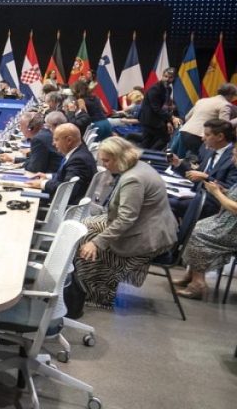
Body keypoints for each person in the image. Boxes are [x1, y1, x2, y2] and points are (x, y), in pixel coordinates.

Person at [74, 137, 177, 309]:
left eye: (107, 161)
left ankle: (97, 295)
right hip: (148, 225)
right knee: (81, 227)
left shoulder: (133, 179)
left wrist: (97, 243)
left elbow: (126, 219)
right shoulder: (138, 166)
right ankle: (79, 284)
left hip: (148, 236)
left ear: (119, 158)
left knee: (88, 240)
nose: (104, 165)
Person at [174, 148, 237, 299]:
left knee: (199, 234)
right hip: (226, 222)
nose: (232, 159)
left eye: (235, 155)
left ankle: (198, 284)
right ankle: (191, 275)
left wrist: (217, 193)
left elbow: (235, 208)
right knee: (194, 228)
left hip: (233, 228)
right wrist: (224, 191)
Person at [168, 119, 237, 219]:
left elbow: (231, 190)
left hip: (215, 202)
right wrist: (178, 163)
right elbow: (197, 174)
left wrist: (206, 177)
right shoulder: (208, 150)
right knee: (164, 196)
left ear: (220, 137)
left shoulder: (234, 157)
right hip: (196, 193)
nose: (203, 138)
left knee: (167, 203)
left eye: (207, 135)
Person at [23, 123, 96, 206]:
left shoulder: (78, 160)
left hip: (62, 206)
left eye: (56, 140)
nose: (53, 143)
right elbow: (65, 176)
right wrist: (47, 176)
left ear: (69, 140)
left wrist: (43, 183)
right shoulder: (78, 152)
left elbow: (67, 189)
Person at [176, 84, 237, 156]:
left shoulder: (202, 101)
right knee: (206, 158)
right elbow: (224, 125)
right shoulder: (225, 105)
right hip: (200, 137)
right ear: (231, 95)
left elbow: (187, 117)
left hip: (184, 133)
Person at [0, 111, 64, 174]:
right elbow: (34, 160)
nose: (20, 129)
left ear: (30, 128)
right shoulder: (44, 134)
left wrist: (20, 165)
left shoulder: (39, 139)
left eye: (21, 126)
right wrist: (15, 160)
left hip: (51, 176)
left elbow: (35, 169)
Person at [139, 67, 179, 150]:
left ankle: (148, 154)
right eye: (165, 76)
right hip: (149, 119)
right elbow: (156, 109)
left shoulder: (168, 89)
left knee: (150, 142)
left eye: (170, 77)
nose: (167, 79)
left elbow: (165, 107)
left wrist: (168, 122)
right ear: (162, 76)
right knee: (162, 138)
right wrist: (172, 118)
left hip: (157, 119)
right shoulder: (155, 89)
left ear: (174, 78)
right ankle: (149, 154)